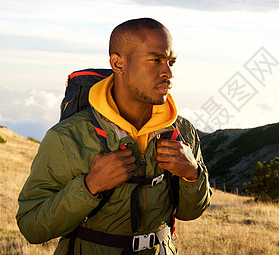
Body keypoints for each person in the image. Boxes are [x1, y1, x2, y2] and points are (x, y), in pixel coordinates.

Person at [16, 18, 211, 254]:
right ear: (118, 64)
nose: (168, 72)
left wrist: (193, 174)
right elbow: (32, 227)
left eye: (171, 62)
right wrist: (89, 187)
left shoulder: (182, 132)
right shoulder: (68, 137)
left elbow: (191, 212)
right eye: (155, 60)